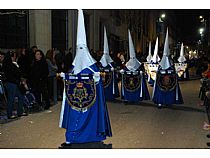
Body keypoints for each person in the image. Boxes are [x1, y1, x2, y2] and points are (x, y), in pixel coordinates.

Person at [59, 9, 112, 145]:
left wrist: (96, 78)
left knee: (91, 118)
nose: (81, 52)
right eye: (79, 48)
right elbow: (68, 79)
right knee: (74, 118)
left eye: (83, 48)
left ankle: (92, 135)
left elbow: (98, 81)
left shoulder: (93, 67)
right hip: (75, 101)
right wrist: (65, 76)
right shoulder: (73, 67)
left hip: (91, 103)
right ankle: (72, 137)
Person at [152, 29, 184, 108]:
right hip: (161, 82)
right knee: (160, 91)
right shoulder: (161, 63)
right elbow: (159, 71)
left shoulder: (171, 63)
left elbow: (173, 71)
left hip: (169, 82)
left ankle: (168, 101)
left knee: (169, 91)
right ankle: (160, 102)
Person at [120, 29, 150, 103]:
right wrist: (123, 71)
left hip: (136, 81)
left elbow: (141, 70)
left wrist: (140, 72)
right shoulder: (127, 64)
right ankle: (127, 98)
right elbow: (125, 69)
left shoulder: (138, 64)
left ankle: (136, 98)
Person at [2, 51, 27, 119]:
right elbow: (17, 73)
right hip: (11, 84)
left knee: (20, 96)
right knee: (11, 99)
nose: (15, 58)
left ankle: (20, 112)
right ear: (11, 57)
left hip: (13, 83)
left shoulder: (8, 64)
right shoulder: (10, 65)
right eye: (14, 56)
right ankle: (10, 114)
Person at [98, 26, 119, 101]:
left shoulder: (111, 62)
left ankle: (111, 96)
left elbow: (116, 68)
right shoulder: (101, 62)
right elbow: (99, 68)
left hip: (110, 81)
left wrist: (113, 69)